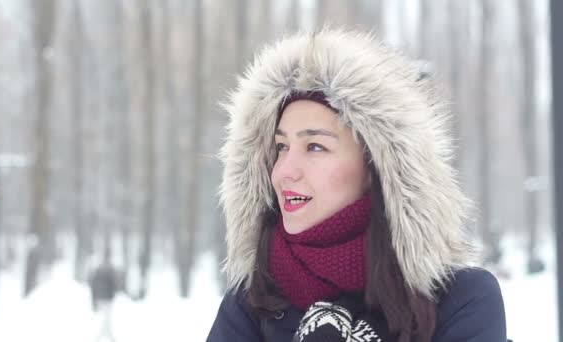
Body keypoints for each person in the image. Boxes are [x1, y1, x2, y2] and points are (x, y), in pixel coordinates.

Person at [207, 28, 508, 342]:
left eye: (315, 147)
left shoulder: (459, 299)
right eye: (281, 147)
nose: (283, 171)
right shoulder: (252, 301)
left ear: (377, 166)